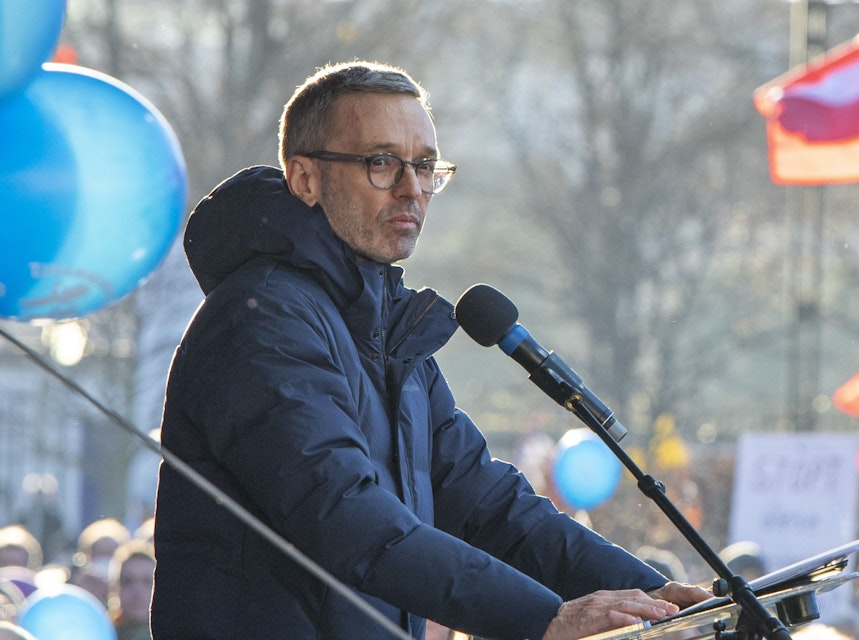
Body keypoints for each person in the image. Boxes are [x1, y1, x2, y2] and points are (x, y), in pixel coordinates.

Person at [151, 60, 709, 640]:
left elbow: (489, 505)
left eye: (424, 166)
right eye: (381, 162)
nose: (412, 188)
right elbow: (343, 516)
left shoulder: (387, 333)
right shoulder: (263, 319)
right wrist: (544, 619)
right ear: (305, 179)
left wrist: (655, 597)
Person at [108, 539, 155, 640]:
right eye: (127, 581)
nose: (137, 591)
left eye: (147, 581)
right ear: (114, 588)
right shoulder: (102, 631)